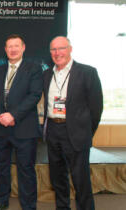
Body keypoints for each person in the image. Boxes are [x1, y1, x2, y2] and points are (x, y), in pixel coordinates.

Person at [43, 36, 103, 210]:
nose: (57, 53)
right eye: (53, 49)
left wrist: (85, 133)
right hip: (53, 131)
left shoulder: (87, 72)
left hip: (76, 134)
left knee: (81, 181)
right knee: (58, 179)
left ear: (70, 49)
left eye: (61, 48)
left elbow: (96, 108)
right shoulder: (47, 74)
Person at [0, 34, 43, 210]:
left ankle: (29, 206)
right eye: (9, 46)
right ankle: (2, 202)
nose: (12, 49)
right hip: (0, 129)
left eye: (16, 46)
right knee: (2, 168)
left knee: (26, 171)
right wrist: (1, 116)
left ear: (23, 48)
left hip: (24, 129)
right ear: (5, 49)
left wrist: (12, 116)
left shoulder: (34, 69)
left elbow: (34, 95)